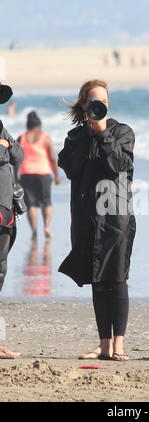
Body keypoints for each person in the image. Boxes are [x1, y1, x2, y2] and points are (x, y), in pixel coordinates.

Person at [58, 79, 136, 361]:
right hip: (86, 218)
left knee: (116, 279)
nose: (98, 106)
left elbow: (120, 166)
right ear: (84, 104)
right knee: (97, 281)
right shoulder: (75, 138)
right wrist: (89, 132)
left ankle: (119, 346)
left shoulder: (122, 132)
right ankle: (103, 346)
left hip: (117, 218)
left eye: (102, 102)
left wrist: (103, 133)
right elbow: (69, 167)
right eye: (93, 102)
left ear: (108, 104)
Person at [0, 83, 24, 358]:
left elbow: (19, 156)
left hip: (5, 211)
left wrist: (6, 144)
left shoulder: (0, 125)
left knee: (1, 271)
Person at [17, 111, 61, 239]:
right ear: (39, 125)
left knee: (30, 204)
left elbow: (16, 158)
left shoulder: (22, 137)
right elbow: (52, 158)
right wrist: (57, 174)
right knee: (46, 202)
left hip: (26, 173)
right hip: (43, 173)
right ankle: (46, 226)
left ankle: (34, 232)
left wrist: (15, 175)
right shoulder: (45, 137)